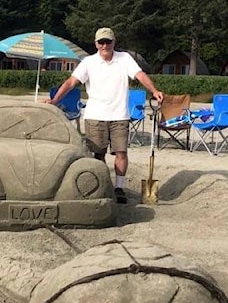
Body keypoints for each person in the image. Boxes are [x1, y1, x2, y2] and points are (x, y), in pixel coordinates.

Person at [45, 27, 164, 204]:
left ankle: (119, 187)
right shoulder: (88, 62)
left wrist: (154, 91)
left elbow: (140, 75)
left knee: (121, 153)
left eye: (108, 42)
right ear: (96, 44)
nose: (104, 45)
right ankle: (101, 185)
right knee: (98, 154)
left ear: (114, 43)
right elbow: (71, 82)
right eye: (101, 42)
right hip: (95, 115)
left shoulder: (124, 59)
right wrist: (54, 100)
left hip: (119, 116)